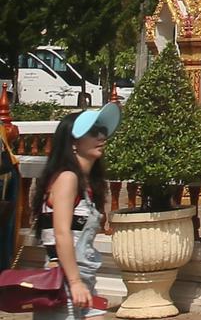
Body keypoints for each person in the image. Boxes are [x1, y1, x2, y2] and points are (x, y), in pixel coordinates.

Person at [33, 102, 117, 318]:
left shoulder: (86, 184)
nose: (101, 137)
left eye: (102, 131)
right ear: (73, 143)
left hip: (83, 279)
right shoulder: (67, 178)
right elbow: (61, 235)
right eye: (92, 132)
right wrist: (74, 282)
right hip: (64, 281)